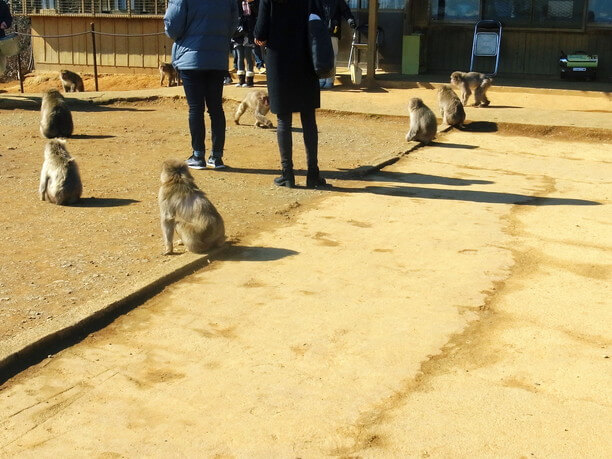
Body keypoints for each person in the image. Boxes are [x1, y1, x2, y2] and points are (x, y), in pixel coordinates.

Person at [254, 0, 328, 189]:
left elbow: (260, 32)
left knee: (283, 120)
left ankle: (288, 175)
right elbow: (321, 20)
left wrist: (261, 37)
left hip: (279, 60)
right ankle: (313, 175)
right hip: (307, 58)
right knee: (309, 118)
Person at [164, 0, 238, 170]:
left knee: (196, 108)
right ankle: (217, 157)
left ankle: (198, 156)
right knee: (216, 108)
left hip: (191, 59)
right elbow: (233, 23)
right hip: (217, 58)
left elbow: (172, 26)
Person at [319, 0, 355, 89]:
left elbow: (345, 10)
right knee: (321, 56)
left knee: (332, 56)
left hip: (333, 30)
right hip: (320, 30)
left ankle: (329, 80)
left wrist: (350, 20)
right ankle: (322, 79)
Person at [233, 0, 259, 87]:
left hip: (249, 31)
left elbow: (257, 13)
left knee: (248, 55)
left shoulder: (253, 2)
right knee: (239, 55)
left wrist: (251, 3)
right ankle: (241, 79)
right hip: (237, 32)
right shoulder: (236, 2)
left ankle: (250, 80)